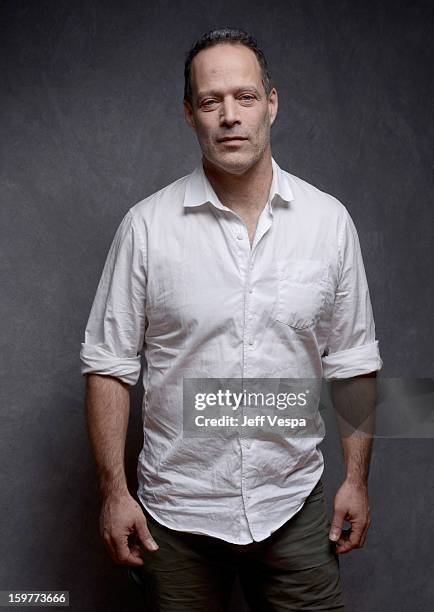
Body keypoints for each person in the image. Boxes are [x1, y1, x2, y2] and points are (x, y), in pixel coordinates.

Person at [80, 27, 382, 611]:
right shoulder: (146, 228)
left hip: (294, 504)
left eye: (244, 97)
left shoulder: (329, 222)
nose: (230, 117)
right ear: (189, 113)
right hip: (176, 515)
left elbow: (354, 360)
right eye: (211, 101)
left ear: (272, 102)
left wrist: (357, 479)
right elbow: (108, 368)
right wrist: (114, 492)